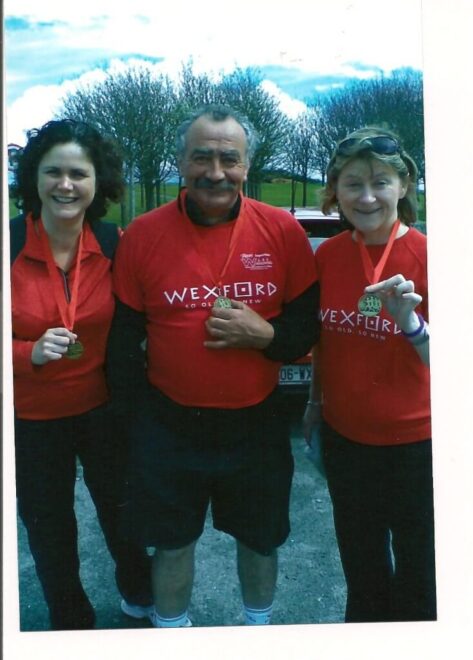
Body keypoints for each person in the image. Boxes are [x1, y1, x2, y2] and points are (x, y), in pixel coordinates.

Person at [107, 104, 318, 627]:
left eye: (230, 158)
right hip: (171, 426)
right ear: (180, 162)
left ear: (248, 165)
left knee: (260, 540)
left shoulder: (283, 231)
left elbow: (305, 331)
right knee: (173, 544)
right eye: (202, 157)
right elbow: (122, 344)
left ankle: (256, 631)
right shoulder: (143, 235)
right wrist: (138, 423)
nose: (216, 172)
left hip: (258, 424)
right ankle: (173, 635)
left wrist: (265, 336)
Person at [10, 119, 153, 630]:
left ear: (98, 182)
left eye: (78, 173)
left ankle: (140, 600)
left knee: (124, 516)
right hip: (30, 419)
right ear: (34, 178)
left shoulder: (117, 244)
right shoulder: (8, 244)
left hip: (103, 412)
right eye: (53, 172)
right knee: (49, 530)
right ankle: (70, 623)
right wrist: (27, 352)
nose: (65, 185)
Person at [303, 126, 435, 622]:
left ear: (404, 186)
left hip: (418, 447)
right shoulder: (329, 256)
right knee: (363, 577)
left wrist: (411, 324)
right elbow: (325, 342)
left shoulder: (431, 255)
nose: (366, 196)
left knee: (421, 579)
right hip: (348, 444)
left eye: (380, 182)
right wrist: (315, 405)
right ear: (334, 192)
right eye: (352, 183)